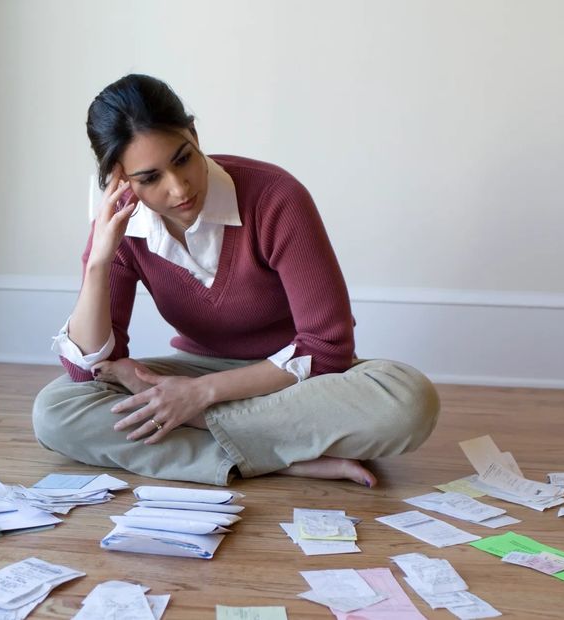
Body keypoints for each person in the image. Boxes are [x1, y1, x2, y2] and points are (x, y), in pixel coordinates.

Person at [32, 74, 439, 487]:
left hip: (294, 380)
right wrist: (100, 260)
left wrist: (200, 397)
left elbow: (328, 349)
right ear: (120, 179)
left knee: (405, 401)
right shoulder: (120, 226)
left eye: (182, 158)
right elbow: (90, 369)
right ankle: (280, 458)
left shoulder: (275, 196)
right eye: (150, 178)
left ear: (193, 134)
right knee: (57, 410)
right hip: (195, 371)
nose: (178, 187)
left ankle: (217, 438)